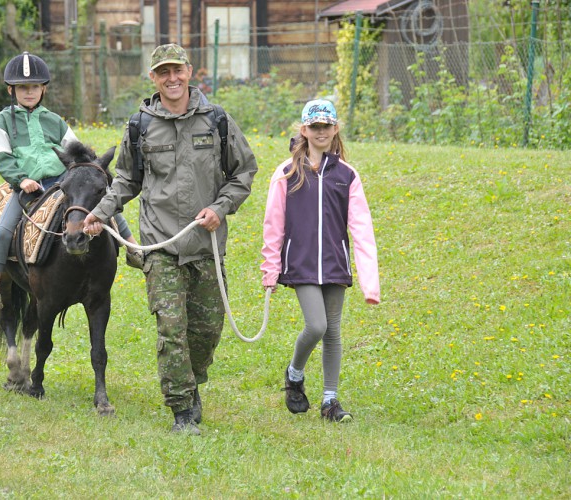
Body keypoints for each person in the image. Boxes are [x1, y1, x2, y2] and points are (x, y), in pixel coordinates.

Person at [83, 43, 258, 434]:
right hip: (161, 246)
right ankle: (182, 411)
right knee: (171, 329)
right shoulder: (139, 125)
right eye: (163, 72)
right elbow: (127, 180)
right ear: (153, 78)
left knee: (206, 330)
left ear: (189, 71)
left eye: (177, 70)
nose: (171, 78)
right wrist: (100, 213)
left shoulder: (217, 121)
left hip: (205, 246)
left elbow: (243, 172)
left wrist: (221, 207)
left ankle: (192, 383)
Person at [0, 51, 142, 315]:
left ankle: (134, 249)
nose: (29, 92)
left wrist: (87, 169)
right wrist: (22, 180)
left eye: (34, 87)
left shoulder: (54, 121)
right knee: (3, 230)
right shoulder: (3, 121)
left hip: (62, 182)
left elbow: (76, 150)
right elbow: (2, 156)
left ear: (43, 89)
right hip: (28, 188)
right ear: (12, 90)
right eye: (23, 88)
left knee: (105, 206)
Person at [260, 99, 380, 423]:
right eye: (315, 126)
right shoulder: (286, 173)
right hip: (301, 264)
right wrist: (271, 269)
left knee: (333, 331)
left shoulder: (347, 176)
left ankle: (330, 400)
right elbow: (274, 224)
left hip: (335, 264)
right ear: (304, 130)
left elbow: (362, 228)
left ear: (335, 128)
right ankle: (295, 373)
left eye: (327, 126)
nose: (321, 131)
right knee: (317, 325)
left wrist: (371, 282)